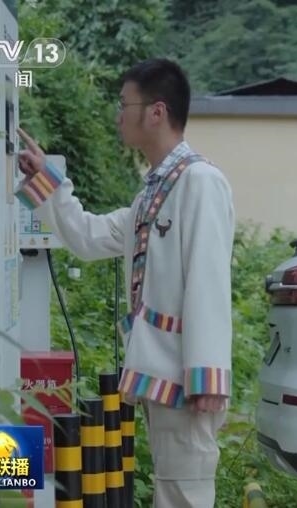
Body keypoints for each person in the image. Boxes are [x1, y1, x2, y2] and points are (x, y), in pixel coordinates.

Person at [15, 58, 234, 508]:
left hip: (188, 382)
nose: (118, 116)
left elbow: (209, 282)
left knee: (184, 493)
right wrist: (44, 180)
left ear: (156, 112)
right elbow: (89, 236)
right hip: (164, 374)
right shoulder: (154, 191)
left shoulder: (200, 181)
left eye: (124, 104)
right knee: (174, 491)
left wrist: (207, 377)